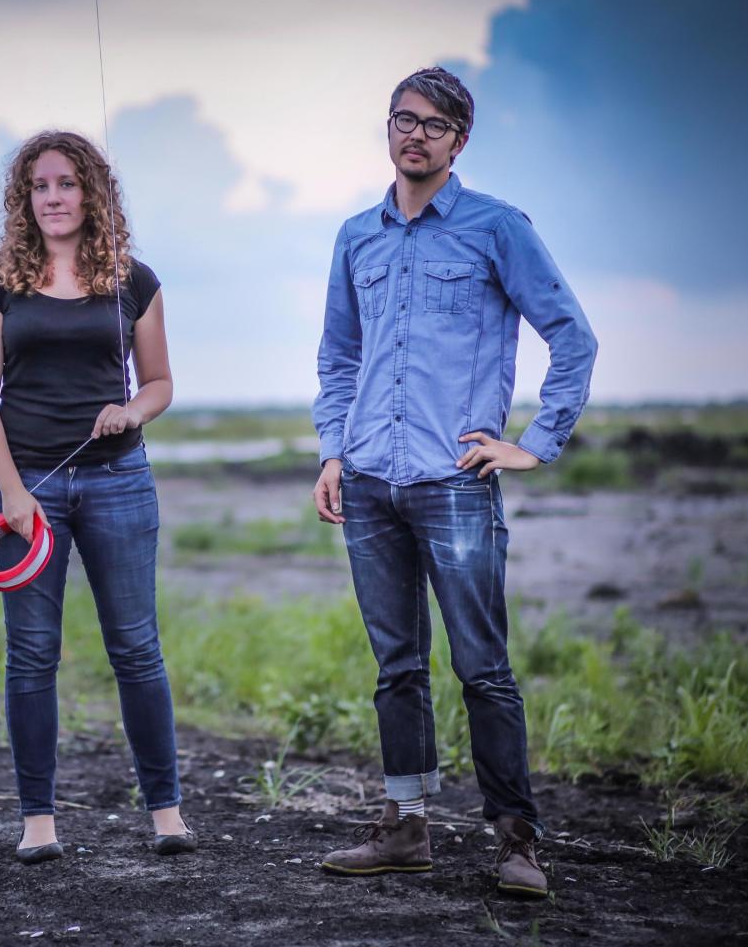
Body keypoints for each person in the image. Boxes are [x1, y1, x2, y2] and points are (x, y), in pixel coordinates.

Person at [311, 68, 598, 897]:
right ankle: (404, 829)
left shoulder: (495, 227)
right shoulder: (356, 236)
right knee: (396, 666)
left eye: (434, 125)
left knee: (483, 668)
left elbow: (571, 336)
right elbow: (338, 356)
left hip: (454, 484)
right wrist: (334, 451)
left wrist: (534, 444)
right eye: (403, 119)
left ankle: (516, 842)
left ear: (459, 140)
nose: (415, 134)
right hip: (368, 481)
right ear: (389, 128)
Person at [0, 130, 194, 863]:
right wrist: (11, 491)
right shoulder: (0, 280)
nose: (54, 197)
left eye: (67, 183)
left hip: (119, 482)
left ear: (92, 192)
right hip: (26, 491)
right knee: (32, 655)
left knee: (136, 649)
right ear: (24, 199)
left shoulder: (133, 278)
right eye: (40, 186)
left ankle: (166, 813)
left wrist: (133, 412)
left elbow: (158, 383)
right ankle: (38, 824)